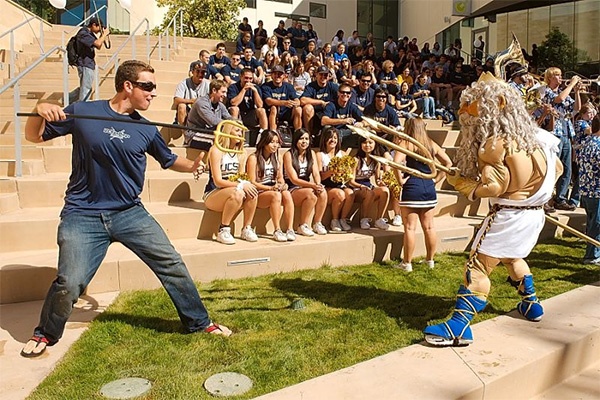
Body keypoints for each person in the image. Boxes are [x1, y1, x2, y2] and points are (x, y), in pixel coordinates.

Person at [20, 60, 233, 358]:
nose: (153, 93)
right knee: (69, 282)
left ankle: (200, 322)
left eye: (154, 88)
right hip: (83, 214)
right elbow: (34, 135)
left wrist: (195, 165)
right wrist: (38, 109)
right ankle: (45, 333)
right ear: (127, 86)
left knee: (171, 263)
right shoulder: (84, 111)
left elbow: (169, 160)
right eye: (147, 86)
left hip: (130, 213)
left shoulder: (145, 129)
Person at [423, 72, 562, 346]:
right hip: (534, 215)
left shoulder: (494, 145)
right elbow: (557, 170)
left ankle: (458, 328)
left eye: (471, 104)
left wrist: (462, 184)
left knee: (478, 265)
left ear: (493, 105)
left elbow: (494, 188)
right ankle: (531, 304)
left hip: (508, 215)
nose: (464, 111)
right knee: (513, 258)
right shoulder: (539, 139)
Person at [392, 118, 452, 271]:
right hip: (428, 188)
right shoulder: (431, 144)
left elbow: (396, 163)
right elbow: (448, 164)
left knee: (410, 228)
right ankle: (430, 260)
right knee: (430, 227)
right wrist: (435, 180)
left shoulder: (406, 143)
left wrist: (400, 180)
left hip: (412, 186)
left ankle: (407, 263)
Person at [204, 124, 259, 245]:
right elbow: (218, 181)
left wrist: (244, 183)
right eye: (237, 130)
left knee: (252, 191)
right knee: (238, 192)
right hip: (214, 192)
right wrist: (240, 185)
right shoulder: (216, 150)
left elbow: (240, 175)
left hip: (232, 190)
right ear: (228, 131)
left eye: (241, 131)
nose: (240, 134)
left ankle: (247, 228)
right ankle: (223, 229)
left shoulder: (241, 152)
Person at [246, 130, 296, 242]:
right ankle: (277, 229)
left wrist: (283, 185)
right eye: (272, 142)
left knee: (287, 194)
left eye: (277, 142)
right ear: (264, 142)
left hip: (272, 189)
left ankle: (289, 229)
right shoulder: (253, 158)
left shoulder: (276, 159)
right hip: (258, 192)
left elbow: (280, 178)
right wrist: (270, 188)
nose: (275, 145)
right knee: (276, 196)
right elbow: (252, 182)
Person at [543, 68, 581, 211]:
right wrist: (571, 84)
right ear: (550, 78)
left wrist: (576, 91)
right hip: (554, 133)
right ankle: (546, 198)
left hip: (566, 133)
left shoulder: (563, 92)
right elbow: (559, 99)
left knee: (567, 169)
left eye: (560, 75)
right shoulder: (547, 91)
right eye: (557, 76)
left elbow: (576, 109)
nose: (560, 78)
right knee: (553, 168)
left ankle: (561, 198)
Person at [283, 128, 328, 236]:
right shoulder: (288, 155)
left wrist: (318, 184)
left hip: (307, 186)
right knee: (311, 194)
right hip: (292, 188)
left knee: (323, 192)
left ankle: (317, 223)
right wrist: (313, 185)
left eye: (306, 139)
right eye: (301, 139)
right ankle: (302, 225)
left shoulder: (311, 153)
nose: (304, 142)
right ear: (295, 140)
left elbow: (316, 173)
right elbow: (294, 179)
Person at [185, 79, 235, 169]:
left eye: (226, 92)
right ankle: (213, 168)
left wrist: (237, 124)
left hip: (208, 132)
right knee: (218, 140)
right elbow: (213, 121)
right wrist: (230, 124)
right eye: (223, 92)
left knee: (232, 138)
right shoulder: (201, 103)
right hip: (194, 134)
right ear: (214, 90)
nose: (225, 95)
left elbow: (229, 118)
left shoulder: (220, 105)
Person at [316, 126, 355, 232]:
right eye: (330, 138)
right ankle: (334, 220)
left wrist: (346, 172)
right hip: (327, 185)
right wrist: (332, 171)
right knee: (340, 194)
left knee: (350, 193)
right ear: (324, 139)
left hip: (340, 184)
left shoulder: (342, 154)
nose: (332, 140)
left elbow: (348, 173)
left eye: (335, 138)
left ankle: (343, 219)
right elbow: (320, 176)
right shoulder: (320, 155)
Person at [348, 136, 390, 230]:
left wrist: (382, 182)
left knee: (385, 191)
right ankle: (364, 219)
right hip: (356, 187)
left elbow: (377, 180)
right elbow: (351, 181)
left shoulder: (376, 161)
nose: (367, 145)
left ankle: (379, 219)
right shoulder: (356, 159)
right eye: (364, 142)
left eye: (370, 142)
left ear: (375, 144)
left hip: (368, 186)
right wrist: (361, 186)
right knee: (370, 192)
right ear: (360, 144)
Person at [576, 113, 600, 265]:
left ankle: (593, 253)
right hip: (597, 190)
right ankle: (592, 255)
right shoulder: (598, 145)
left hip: (585, 190)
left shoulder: (586, 143)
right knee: (596, 225)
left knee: (593, 223)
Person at [72, 17, 110, 102]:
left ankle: (68, 98)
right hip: (85, 63)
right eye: (99, 28)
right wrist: (104, 34)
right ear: (93, 25)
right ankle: (82, 108)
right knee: (86, 88)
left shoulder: (89, 33)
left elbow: (99, 46)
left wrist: (102, 35)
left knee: (85, 86)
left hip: (89, 63)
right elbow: (97, 43)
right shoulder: (83, 33)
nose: (99, 30)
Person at [321, 83, 365, 149]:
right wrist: (343, 121)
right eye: (342, 92)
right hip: (334, 132)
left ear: (350, 95)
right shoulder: (331, 105)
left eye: (348, 93)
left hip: (346, 133)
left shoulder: (352, 106)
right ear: (338, 93)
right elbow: (323, 121)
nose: (345, 94)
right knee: (327, 129)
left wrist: (361, 123)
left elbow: (365, 119)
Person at [300, 65, 339, 137]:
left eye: (325, 75)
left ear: (328, 76)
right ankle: (309, 135)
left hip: (329, 114)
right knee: (307, 108)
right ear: (316, 75)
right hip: (314, 115)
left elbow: (342, 95)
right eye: (321, 74)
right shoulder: (311, 86)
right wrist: (321, 102)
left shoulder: (333, 86)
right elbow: (302, 100)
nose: (323, 77)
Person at [227, 68, 268, 136]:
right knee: (234, 109)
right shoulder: (233, 87)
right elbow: (234, 103)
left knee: (262, 110)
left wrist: (255, 92)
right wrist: (244, 90)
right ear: (241, 77)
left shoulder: (256, 88)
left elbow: (260, 105)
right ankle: (234, 136)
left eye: (250, 78)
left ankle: (264, 136)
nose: (248, 80)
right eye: (246, 78)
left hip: (250, 115)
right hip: (238, 114)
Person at [261, 65, 302, 131]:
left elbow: (296, 99)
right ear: (271, 75)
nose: (277, 76)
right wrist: (284, 103)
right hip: (272, 113)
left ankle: (298, 133)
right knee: (273, 107)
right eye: (275, 74)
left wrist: (295, 103)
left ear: (284, 76)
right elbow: (268, 101)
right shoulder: (265, 86)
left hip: (287, 112)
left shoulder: (289, 86)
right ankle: (273, 133)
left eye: (280, 74)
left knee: (298, 109)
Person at [172, 61, 210, 125]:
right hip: (188, 111)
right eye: (198, 71)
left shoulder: (208, 84)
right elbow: (176, 100)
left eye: (203, 72)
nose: (200, 74)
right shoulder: (183, 83)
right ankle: (184, 131)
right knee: (181, 106)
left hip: (202, 111)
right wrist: (191, 101)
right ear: (192, 72)